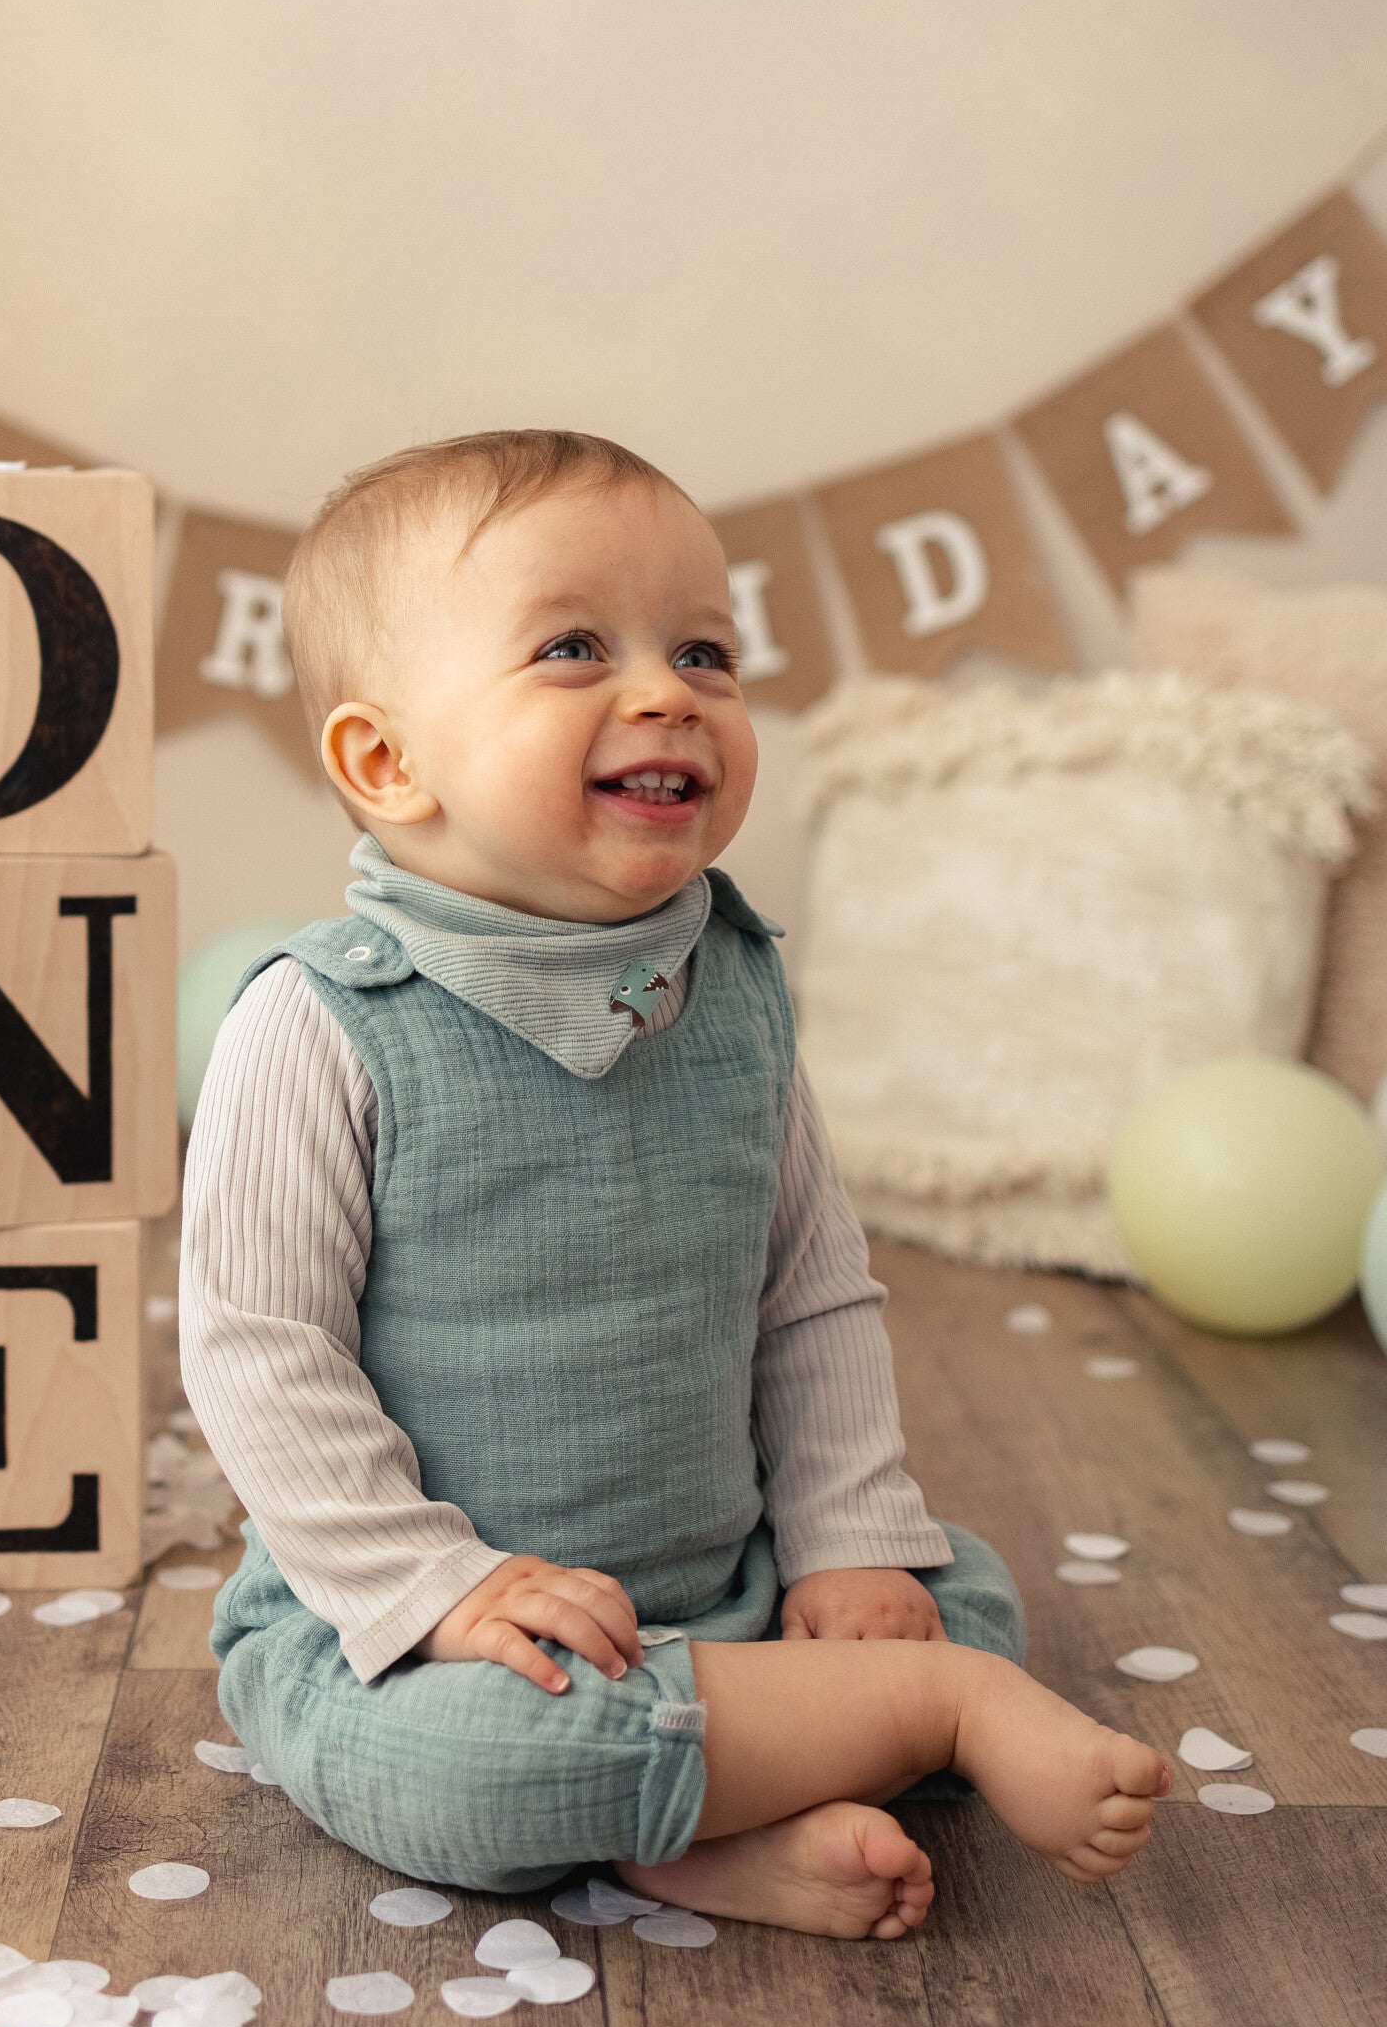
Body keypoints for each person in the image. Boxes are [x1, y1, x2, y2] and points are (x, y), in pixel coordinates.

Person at [179, 429, 1169, 1936]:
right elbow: (261, 1354)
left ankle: (690, 1812)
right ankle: (924, 1712)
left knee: (951, 1575)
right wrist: (437, 1588)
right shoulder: (321, 1025)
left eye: (705, 649)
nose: (669, 691)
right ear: (390, 763)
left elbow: (810, 1294)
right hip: (437, 1631)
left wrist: (843, 1540)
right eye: (574, 647)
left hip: (723, 1584)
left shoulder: (739, 995)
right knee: (466, 1775)